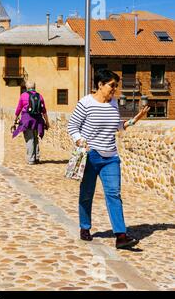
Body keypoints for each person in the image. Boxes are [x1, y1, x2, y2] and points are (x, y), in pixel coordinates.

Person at [68, 69, 150, 249]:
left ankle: (121, 236)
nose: (115, 90)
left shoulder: (113, 103)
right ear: (100, 84)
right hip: (91, 155)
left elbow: (116, 126)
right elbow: (72, 126)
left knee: (114, 194)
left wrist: (133, 120)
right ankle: (85, 227)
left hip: (111, 157)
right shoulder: (86, 103)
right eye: (112, 85)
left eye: (116, 86)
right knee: (87, 194)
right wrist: (80, 140)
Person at [11, 81, 50, 165]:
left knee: (30, 139)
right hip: (38, 121)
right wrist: (47, 122)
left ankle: (31, 159)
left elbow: (18, 109)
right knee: (35, 138)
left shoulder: (23, 95)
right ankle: (36, 157)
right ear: (35, 87)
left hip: (27, 120)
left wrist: (14, 121)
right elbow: (44, 111)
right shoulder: (40, 96)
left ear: (26, 87)